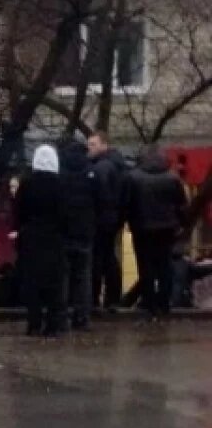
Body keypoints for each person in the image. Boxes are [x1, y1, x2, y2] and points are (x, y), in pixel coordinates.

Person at [124, 146, 187, 320]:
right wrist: (181, 224)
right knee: (165, 265)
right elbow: (181, 205)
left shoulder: (133, 177)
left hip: (141, 228)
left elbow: (127, 203)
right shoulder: (173, 178)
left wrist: (128, 221)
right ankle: (164, 303)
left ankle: (149, 303)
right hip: (167, 228)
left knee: (145, 266)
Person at [15, 145, 67, 337]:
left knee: (32, 282)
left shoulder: (27, 184)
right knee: (54, 283)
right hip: (54, 238)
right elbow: (65, 213)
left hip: (31, 238)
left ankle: (34, 323)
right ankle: (53, 324)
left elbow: (18, 211)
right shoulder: (60, 184)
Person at [59, 139, 99, 331]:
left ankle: (61, 315)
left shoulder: (60, 174)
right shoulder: (91, 173)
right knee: (83, 275)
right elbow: (101, 200)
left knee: (63, 275)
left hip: (63, 231)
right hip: (85, 231)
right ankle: (81, 317)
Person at [88, 132, 128, 313]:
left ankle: (95, 299)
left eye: (93, 144)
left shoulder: (101, 168)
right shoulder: (119, 165)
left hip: (101, 220)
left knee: (98, 259)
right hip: (114, 219)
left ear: (104, 144)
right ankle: (113, 298)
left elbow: (100, 196)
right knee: (110, 257)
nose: (89, 148)